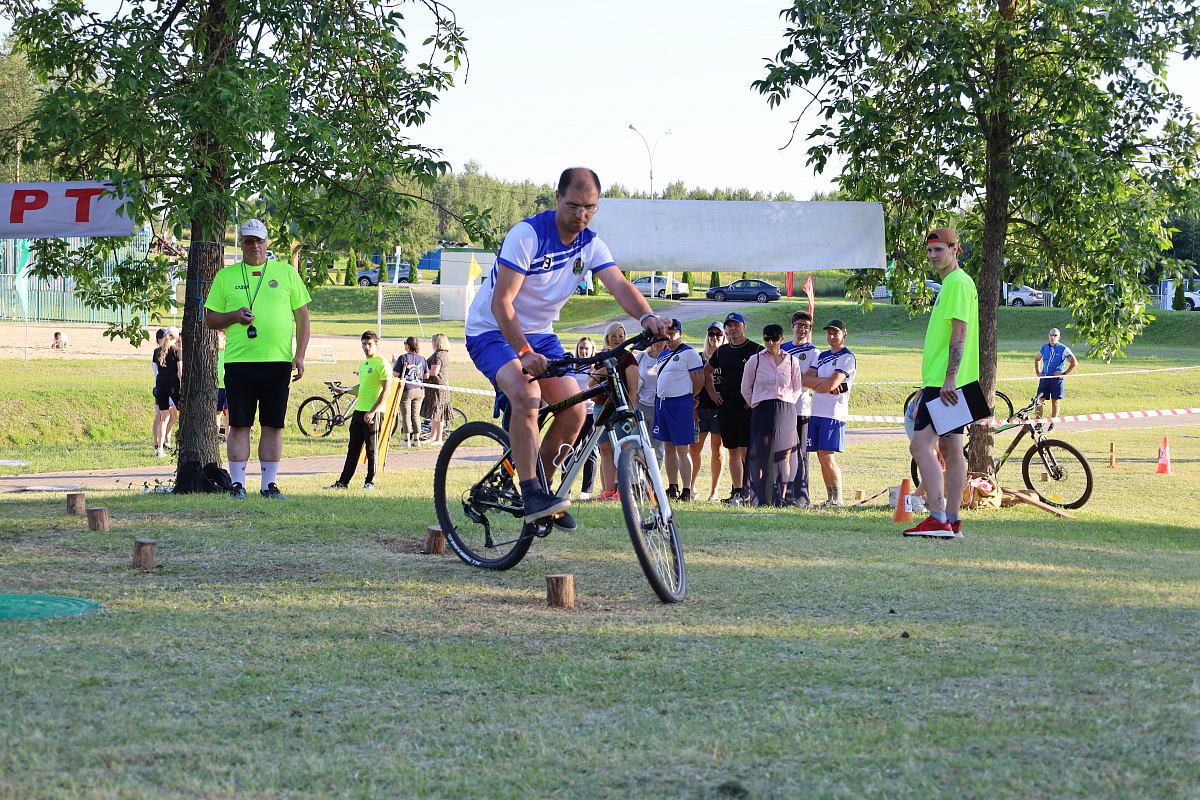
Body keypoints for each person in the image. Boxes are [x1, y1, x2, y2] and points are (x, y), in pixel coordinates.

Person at [462, 166, 667, 525]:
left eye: (589, 207)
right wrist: (524, 354)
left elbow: (620, 286)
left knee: (575, 411)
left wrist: (647, 316)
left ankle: (542, 489)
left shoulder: (591, 245)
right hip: (492, 329)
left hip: (541, 334)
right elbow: (501, 303)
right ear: (557, 198)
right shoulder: (527, 236)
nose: (581, 215)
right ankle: (530, 492)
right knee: (527, 395)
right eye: (573, 205)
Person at [204, 218, 311, 500]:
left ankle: (269, 485)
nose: (255, 246)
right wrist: (234, 317)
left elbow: (302, 317)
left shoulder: (286, 273)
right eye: (249, 241)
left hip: (278, 362)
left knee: (273, 425)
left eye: (259, 241)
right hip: (239, 363)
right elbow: (210, 319)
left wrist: (299, 355)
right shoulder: (225, 276)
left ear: (267, 243)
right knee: (239, 425)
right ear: (241, 243)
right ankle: (237, 485)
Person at [906, 227, 980, 538]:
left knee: (920, 446)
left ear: (954, 249)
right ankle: (952, 521)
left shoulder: (958, 283)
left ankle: (938, 519)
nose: (933, 255)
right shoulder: (951, 283)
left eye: (939, 249)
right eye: (929, 250)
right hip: (953, 382)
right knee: (951, 449)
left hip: (947, 383)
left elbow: (960, 332)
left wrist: (949, 378)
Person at [741, 323, 806, 506]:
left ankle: (781, 497)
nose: (770, 343)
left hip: (786, 410)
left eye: (774, 339)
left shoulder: (792, 361)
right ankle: (760, 498)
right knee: (761, 454)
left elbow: (797, 388)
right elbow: (746, 387)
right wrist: (756, 403)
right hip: (762, 409)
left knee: (784, 456)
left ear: (782, 339)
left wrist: (786, 402)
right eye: (767, 339)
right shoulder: (755, 360)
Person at [704, 312, 763, 506]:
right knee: (733, 451)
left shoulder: (756, 350)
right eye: (729, 326)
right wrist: (713, 393)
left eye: (736, 325)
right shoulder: (722, 351)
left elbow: (768, 374)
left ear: (744, 327)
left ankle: (753, 491)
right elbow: (707, 371)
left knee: (747, 451)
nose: (732, 329)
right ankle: (738, 492)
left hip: (747, 408)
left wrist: (754, 398)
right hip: (726, 407)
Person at [326, 331, 392, 490]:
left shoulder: (382, 364)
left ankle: (370, 482)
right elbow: (362, 388)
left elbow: (386, 391)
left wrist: (372, 411)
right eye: (364, 344)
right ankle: (343, 483)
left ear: (376, 344)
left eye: (370, 344)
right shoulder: (364, 365)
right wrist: (344, 390)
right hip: (359, 411)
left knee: (371, 449)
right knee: (353, 449)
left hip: (373, 412)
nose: (366, 347)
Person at [805, 319, 856, 507]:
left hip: (833, 413)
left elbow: (831, 385)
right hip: (817, 411)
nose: (832, 336)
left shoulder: (847, 358)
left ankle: (837, 499)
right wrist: (823, 383)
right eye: (829, 333)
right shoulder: (822, 356)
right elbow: (805, 379)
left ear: (844, 335)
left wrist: (821, 383)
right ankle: (830, 498)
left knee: (827, 456)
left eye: (836, 333)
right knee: (821, 457)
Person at [652, 318, 704, 501]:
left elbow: (699, 380)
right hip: (662, 403)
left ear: (680, 334)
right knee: (668, 447)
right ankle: (672, 486)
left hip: (680, 403)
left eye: (673, 334)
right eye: (667, 334)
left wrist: (689, 398)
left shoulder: (689, 353)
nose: (669, 337)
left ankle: (687, 489)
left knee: (682, 448)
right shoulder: (662, 355)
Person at [589, 321, 639, 501]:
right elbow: (590, 385)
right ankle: (608, 490)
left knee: (622, 448)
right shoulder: (601, 357)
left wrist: (630, 412)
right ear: (607, 338)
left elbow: (633, 389)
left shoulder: (628, 358)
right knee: (604, 449)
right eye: (614, 336)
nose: (618, 339)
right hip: (600, 407)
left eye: (621, 336)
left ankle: (622, 490)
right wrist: (601, 372)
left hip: (621, 408)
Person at [781, 310, 818, 506]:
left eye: (806, 326)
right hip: (781, 408)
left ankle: (802, 497)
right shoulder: (782, 348)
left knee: (801, 454)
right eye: (799, 325)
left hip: (801, 410)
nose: (802, 329)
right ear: (792, 326)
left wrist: (787, 380)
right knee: (782, 453)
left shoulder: (813, 352)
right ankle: (783, 495)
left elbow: (807, 380)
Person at [689, 321, 725, 502]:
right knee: (694, 450)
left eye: (718, 334)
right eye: (711, 334)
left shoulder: (727, 356)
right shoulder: (698, 358)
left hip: (720, 410)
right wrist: (691, 405)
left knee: (717, 450)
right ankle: (691, 487)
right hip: (700, 409)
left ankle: (714, 492)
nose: (714, 337)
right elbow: (690, 383)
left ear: (724, 337)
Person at [569, 337, 601, 499]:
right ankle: (566, 489)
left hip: (590, 413)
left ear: (592, 350)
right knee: (569, 451)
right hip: (574, 414)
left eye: (587, 348)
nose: (584, 351)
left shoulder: (596, 368)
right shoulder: (572, 367)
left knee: (589, 452)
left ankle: (586, 491)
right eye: (581, 348)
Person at [634, 334, 667, 477]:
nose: (657, 342)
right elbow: (632, 382)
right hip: (641, 406)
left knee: (657, 448)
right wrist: (634, 402)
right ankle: (635, 481)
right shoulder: (640, 358)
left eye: (660, 339)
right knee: (635, 445)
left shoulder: (669, 358)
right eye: (654, 339)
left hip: (660, 408)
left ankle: (653, 482)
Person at [1034, 328, 1076, 429]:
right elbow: (1037, 359)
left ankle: (1052, 424)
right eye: (1051, 335)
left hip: (1056, 379)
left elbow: (1074, 363)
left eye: (1055, 335)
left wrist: (1064, 373)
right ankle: (1039, 423)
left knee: (1055, 401)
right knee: (1038, 401)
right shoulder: (1044, 348)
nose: (1053, 337)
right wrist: (1038, 372)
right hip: (1045, 378)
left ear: (1059, 337)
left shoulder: (1063, 348)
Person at [152, 326, 182, 458]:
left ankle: (160, 449)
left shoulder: (157, 351)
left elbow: (157, 370)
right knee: (182, 413)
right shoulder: (177, 351)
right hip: (173, 385)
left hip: (160, 384)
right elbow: (180, 373)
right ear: (176, 337)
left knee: (163, 419)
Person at [393, 336, 428, 448]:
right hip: (419, 389)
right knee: (416, 415)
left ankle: (407, 440)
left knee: (406, 415)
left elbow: (395, 374)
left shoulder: (403, 358)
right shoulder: (422, 358)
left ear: (407, 345)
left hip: (407, 390)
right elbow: (426, 375)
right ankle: (417, 439)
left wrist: (395, 363)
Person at [421, 333, 453, 445]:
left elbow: (434, 372)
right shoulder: (444, 354)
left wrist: (422, 373)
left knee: (438, 413)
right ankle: (432, 436)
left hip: (437, 387)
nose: (432, 342)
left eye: (433, 340)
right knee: (435, 413)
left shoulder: (438, 355)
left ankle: (438, 438)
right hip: (438, 386)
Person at [215, 329, 228, 441]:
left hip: (228, 387)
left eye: (217, 339)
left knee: (227, 413)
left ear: (224, 338)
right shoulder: (214, 353)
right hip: (217, 387)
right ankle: (216, 435)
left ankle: (227, 437)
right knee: (217, 413)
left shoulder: (228, 351)